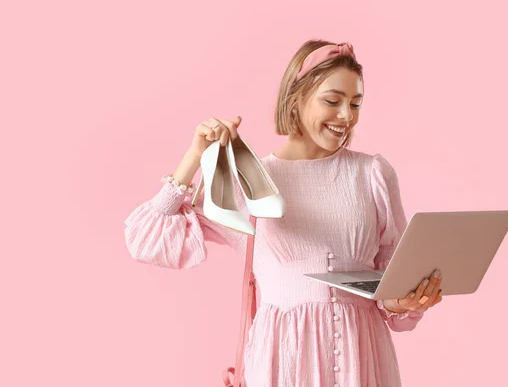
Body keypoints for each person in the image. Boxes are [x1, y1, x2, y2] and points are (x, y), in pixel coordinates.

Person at [124, 39, 443, 387]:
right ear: (297, 98)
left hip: (363, 358)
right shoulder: (251, 182)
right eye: (332, 101)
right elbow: (144, 240)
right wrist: (194, 156)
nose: (346, 116)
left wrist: (403, 301)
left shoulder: (373, 175)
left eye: (355, 103)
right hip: (282, 361)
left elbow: (391, 291)